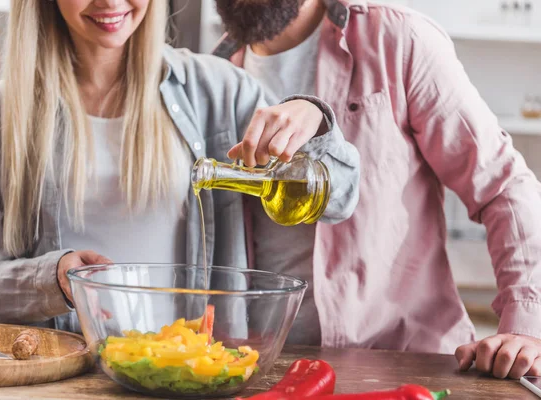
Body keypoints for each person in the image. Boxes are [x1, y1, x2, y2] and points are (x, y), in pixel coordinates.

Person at [0, 0, 360, 334]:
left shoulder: (218, 89)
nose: (110, 2)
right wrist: (54, 278)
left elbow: (340, 200)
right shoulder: (5, 109)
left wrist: (314, 121)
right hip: (67, 378)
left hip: (194, 370)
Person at [213, 0, 541, 379]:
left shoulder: (397, 41)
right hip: (268, 369)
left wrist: (526, 325)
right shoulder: (211, 73)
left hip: (406, 366)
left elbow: (503, 186)